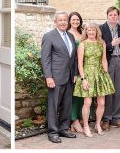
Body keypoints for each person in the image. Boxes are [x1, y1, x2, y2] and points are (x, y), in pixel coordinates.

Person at [73, 22, 115, 137]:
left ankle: (97, 124)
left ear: (97, 31)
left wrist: (106, 74)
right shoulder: (82, 44)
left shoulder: (101, 43)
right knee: (88, 102)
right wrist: (83, 79)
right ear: (86, 31)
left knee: (102, 102)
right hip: (87, 74)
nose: (91, 32)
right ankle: (86, 126)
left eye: (93, 30)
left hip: (100, 74)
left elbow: (104, 60)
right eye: (88, 30)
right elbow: (80, 64)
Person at [41, 11, 78, 143]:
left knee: (67, 104)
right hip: (55, 78)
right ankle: (52, 132)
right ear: (55, 22)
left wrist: (75, 74)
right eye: (60, 20)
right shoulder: (49, 36)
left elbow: (72, 58)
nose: (63, 22)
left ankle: (63, 129)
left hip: (69, 77)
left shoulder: (71, 36)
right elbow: (45, 59)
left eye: (65, 20)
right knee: (54, 105)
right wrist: (48, 77)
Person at [99, 7, 120, 130]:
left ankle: (117, 118)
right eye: (110, 15)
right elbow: (98, 47)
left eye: (115, 15)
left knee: (119, 90)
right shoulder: (101, 29)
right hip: (107, 61)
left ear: (118, 16)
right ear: (107, 16)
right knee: (108, 90)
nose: (113, 17)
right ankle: (106, 119)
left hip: (119, 61)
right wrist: (111, 45)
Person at [67, 12, 86, 133]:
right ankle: (73, 120)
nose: (75, 22)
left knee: (82, 95)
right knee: (74, 95)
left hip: (84, 67)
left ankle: (77, 118)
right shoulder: (67, 34)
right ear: (69, 21)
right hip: (73, 67)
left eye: (77, 19)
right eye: (73, 19)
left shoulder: (82, 33)